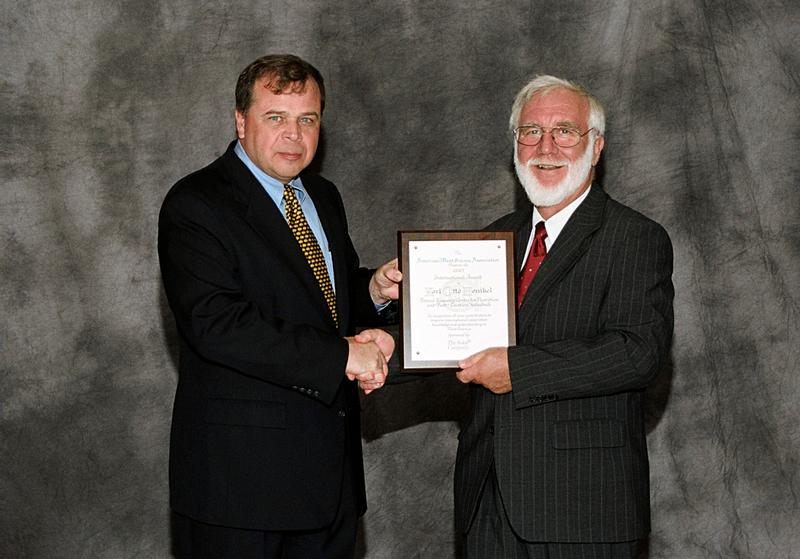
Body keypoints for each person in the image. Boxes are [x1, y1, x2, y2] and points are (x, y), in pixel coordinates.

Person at [158, 54, 399, 559]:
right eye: (276, 118)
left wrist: (372, 290)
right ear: (240, 121)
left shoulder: (323, 196)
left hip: (330, 485)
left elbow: (319, 300)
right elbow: (217, 323)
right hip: (241, 490)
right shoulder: (195, 204)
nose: (294, 134)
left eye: (307, 119)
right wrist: (342, 356)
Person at [451, 76, 675, 557]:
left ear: (595, 148)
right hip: (485, 504)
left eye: (564, 131)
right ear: (515, 146)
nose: (545, 146)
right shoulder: (493, 239)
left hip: (583, 510)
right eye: (530, 131)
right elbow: (451, 338)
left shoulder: (635, 238)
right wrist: (385, 345)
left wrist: (517, 370)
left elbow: (638, 353)